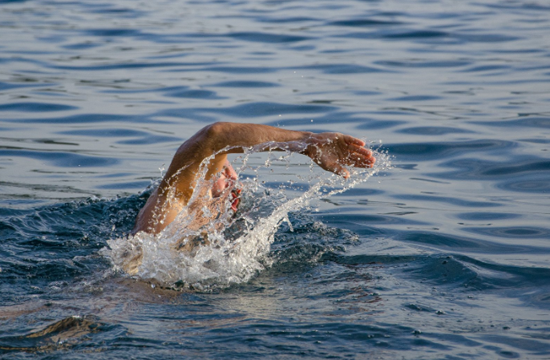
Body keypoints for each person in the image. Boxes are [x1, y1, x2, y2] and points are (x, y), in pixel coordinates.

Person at [132, 122, 376, 236]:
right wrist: (308, 142)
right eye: (220, 167)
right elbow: (214, 137)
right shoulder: (171, 205)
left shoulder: (208, 234)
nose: (230, 175)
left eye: (231, 171)